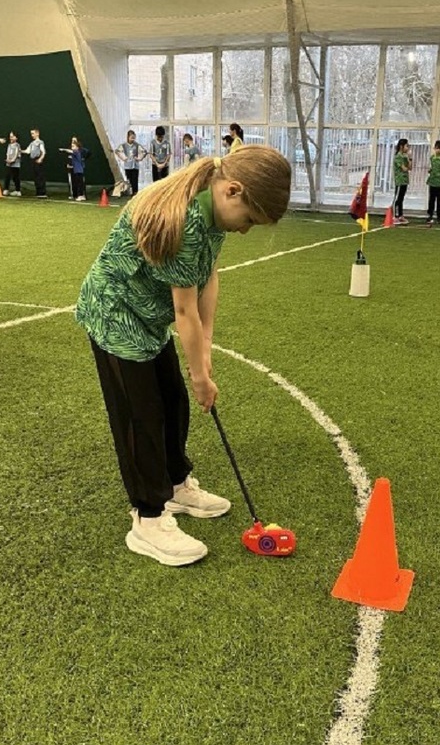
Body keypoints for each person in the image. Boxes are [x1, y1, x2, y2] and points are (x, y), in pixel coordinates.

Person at [75, 146, 291, 567]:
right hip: (115, 314)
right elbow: (184, 310)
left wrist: (205, 346)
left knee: (172, 403)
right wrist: (201, 376)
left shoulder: (214, 213)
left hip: (147, 318)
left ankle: (175, 486)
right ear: (233, 190)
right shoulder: (187, 221)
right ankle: (148, 519)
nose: (245, 230)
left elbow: (209, 275)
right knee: (141, 418)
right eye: (249, 219)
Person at [426, 140, 440, 225]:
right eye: (436, 148)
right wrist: (430, 170)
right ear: (434, 148)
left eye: (439, 148)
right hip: (432, 182)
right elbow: (431, 167)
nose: (437, 150)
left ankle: (439, 216)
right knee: (431, 200)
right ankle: (430, 215)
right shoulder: (432, 158)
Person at [116, 130, 146, 195]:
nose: (133, 139)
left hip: (135, 166)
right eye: (131, 137)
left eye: (134, 138)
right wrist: (123, 158)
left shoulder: (137, 145)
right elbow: (117, 151)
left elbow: (144, 152)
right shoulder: (124, 145)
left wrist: (139, 158)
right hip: (127, 166)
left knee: (135, 180)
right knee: (129, 180)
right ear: (128, 137)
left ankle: (135, 193)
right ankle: (130, 192)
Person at [59, 136, 89, 200]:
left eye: (73, 146)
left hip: (79, 171)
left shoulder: (76, 152)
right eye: (72, 146)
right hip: (76, 170)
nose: (72, 147)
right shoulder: (74, 153)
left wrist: (63, 149)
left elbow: (70, 151)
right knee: (78, 183)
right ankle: (80, 195)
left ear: (77, 147)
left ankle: (81, 196)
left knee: (80, 184)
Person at [23, 128, 47, 198]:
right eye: (31, 134)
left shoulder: (40, 142)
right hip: (33, 160)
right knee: (35, 177)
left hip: (38, 160)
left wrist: (40, 159)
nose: (32, 135)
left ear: (37, 133)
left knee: (40, 176)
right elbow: (27, 151)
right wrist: (20, 150)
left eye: (33, 133)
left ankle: (42, 193)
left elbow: (43, 152)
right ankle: (38, 192)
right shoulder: (32, 143)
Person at [392, 138, 412, 225]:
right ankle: (395, 216)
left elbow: (410, 168)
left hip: (405, 180)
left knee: (401, 198)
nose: (408, 148)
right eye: (406, 146)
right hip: (399, 180)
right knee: (397, 198)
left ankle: (400, 215)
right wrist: (406, 166)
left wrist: (410, 158)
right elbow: (404, 169)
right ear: (401, 146)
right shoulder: (398, 156)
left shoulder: (405, 156)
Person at [3, 132, 22, 196]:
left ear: (16, 138)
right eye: (10, 136)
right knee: (7, 176)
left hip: (16, 165)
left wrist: (13, 160)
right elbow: (8, 153)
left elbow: (16, 153)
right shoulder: (9, 145)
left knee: (16, 177)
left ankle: (18, 190)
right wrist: (8, 159)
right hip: (9, 164)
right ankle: (6, 189)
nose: (11, 138)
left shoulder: (17, 145)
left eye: (12, 136)